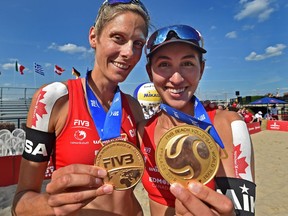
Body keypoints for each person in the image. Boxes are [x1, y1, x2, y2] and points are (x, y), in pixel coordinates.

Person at [12, 1, 150, 215]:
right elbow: (20, 204)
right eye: (118, 38)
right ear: (94, 37)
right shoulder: (54, 98)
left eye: (138, 43)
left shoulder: (133, 106)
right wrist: (52, 205)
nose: (129, 52)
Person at [138, 24, 255, 215]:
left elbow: (245, 212)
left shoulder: (228, 125)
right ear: (150, 72)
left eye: (187, 64)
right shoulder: (141, 130)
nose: (176, 79)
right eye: (164, 64)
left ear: (201, 68)